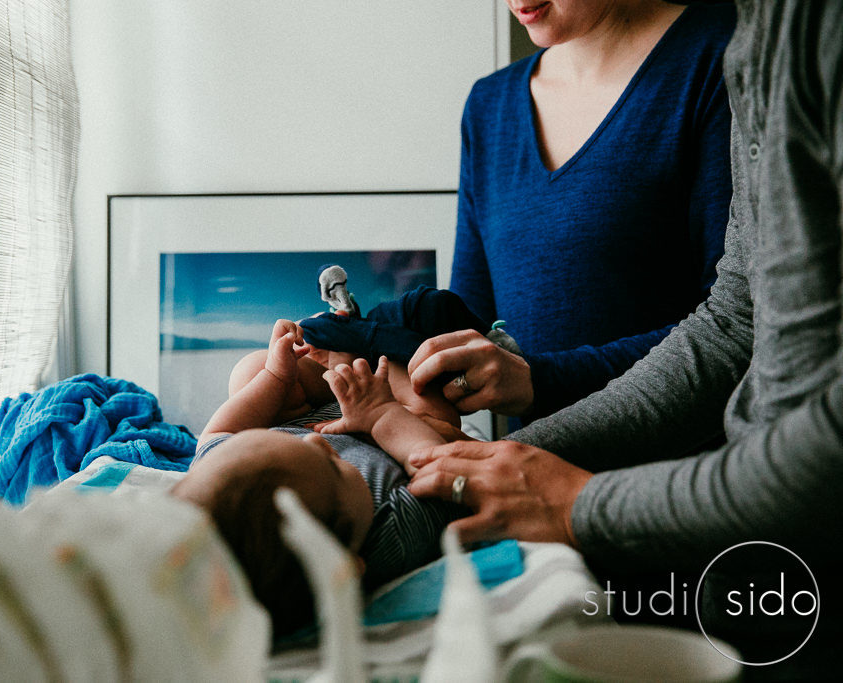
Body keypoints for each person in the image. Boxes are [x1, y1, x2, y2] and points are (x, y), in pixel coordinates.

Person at [406, 1, 841, 673]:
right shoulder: (759, 36)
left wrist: (576, 496)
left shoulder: (768, 38)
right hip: (738, 536)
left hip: (731, 528)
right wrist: (503, 460)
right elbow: (735, 320)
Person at [431, 0, 735, 424]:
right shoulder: (490, 105)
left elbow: (739, 328)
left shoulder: (723, 57)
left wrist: (541, 380)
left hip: (678, 480)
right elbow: (463, 321)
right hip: (524, 479)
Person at [170, 318, 470, 638]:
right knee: (440, 417)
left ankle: (325, 377)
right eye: (334, 467)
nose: (317, 443)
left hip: (304, 413)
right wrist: (382, 414)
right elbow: (443, 469)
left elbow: (218, 433)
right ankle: (354, 365)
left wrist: (275, 377)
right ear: (347, 567)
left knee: (249, 369)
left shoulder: (218, 469)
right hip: (387, 418)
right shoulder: (390, 529)